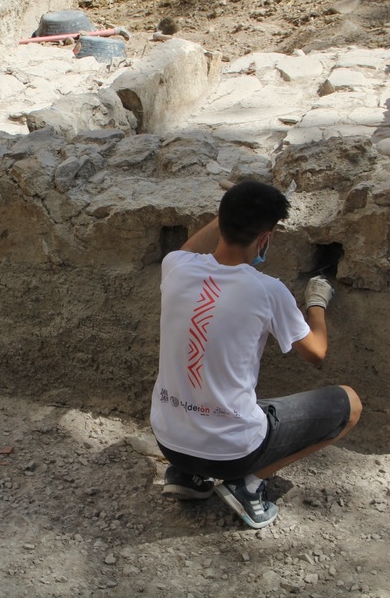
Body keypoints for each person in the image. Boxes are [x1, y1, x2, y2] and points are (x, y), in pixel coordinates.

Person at [150, 179, 361, 529]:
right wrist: (316, 304)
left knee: (222, 395)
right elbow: (316, 354)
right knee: (350, 403)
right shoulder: (268, 290)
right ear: (265, 237)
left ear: (222, 220)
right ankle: (248, 486)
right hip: (232, 454)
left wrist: (237, 203)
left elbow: (191, 247)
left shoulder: (176, 267)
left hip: (169, 442)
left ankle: (187, 476)